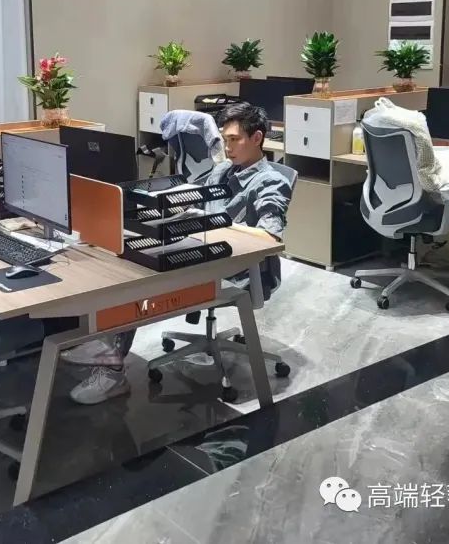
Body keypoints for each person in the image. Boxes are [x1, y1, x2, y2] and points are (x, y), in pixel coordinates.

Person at [63, 102, 293, 405]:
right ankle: (104, 343)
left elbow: (270, 236)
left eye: (235, 139)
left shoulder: (270, 181)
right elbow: (193, 199)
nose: (227, 147)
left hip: (237, 268)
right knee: (124, 257)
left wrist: (217, 224)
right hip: (201, 250)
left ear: (257, 138)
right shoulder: (224, 170)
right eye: (224, 139)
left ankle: (112, 371)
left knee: (138, 281)